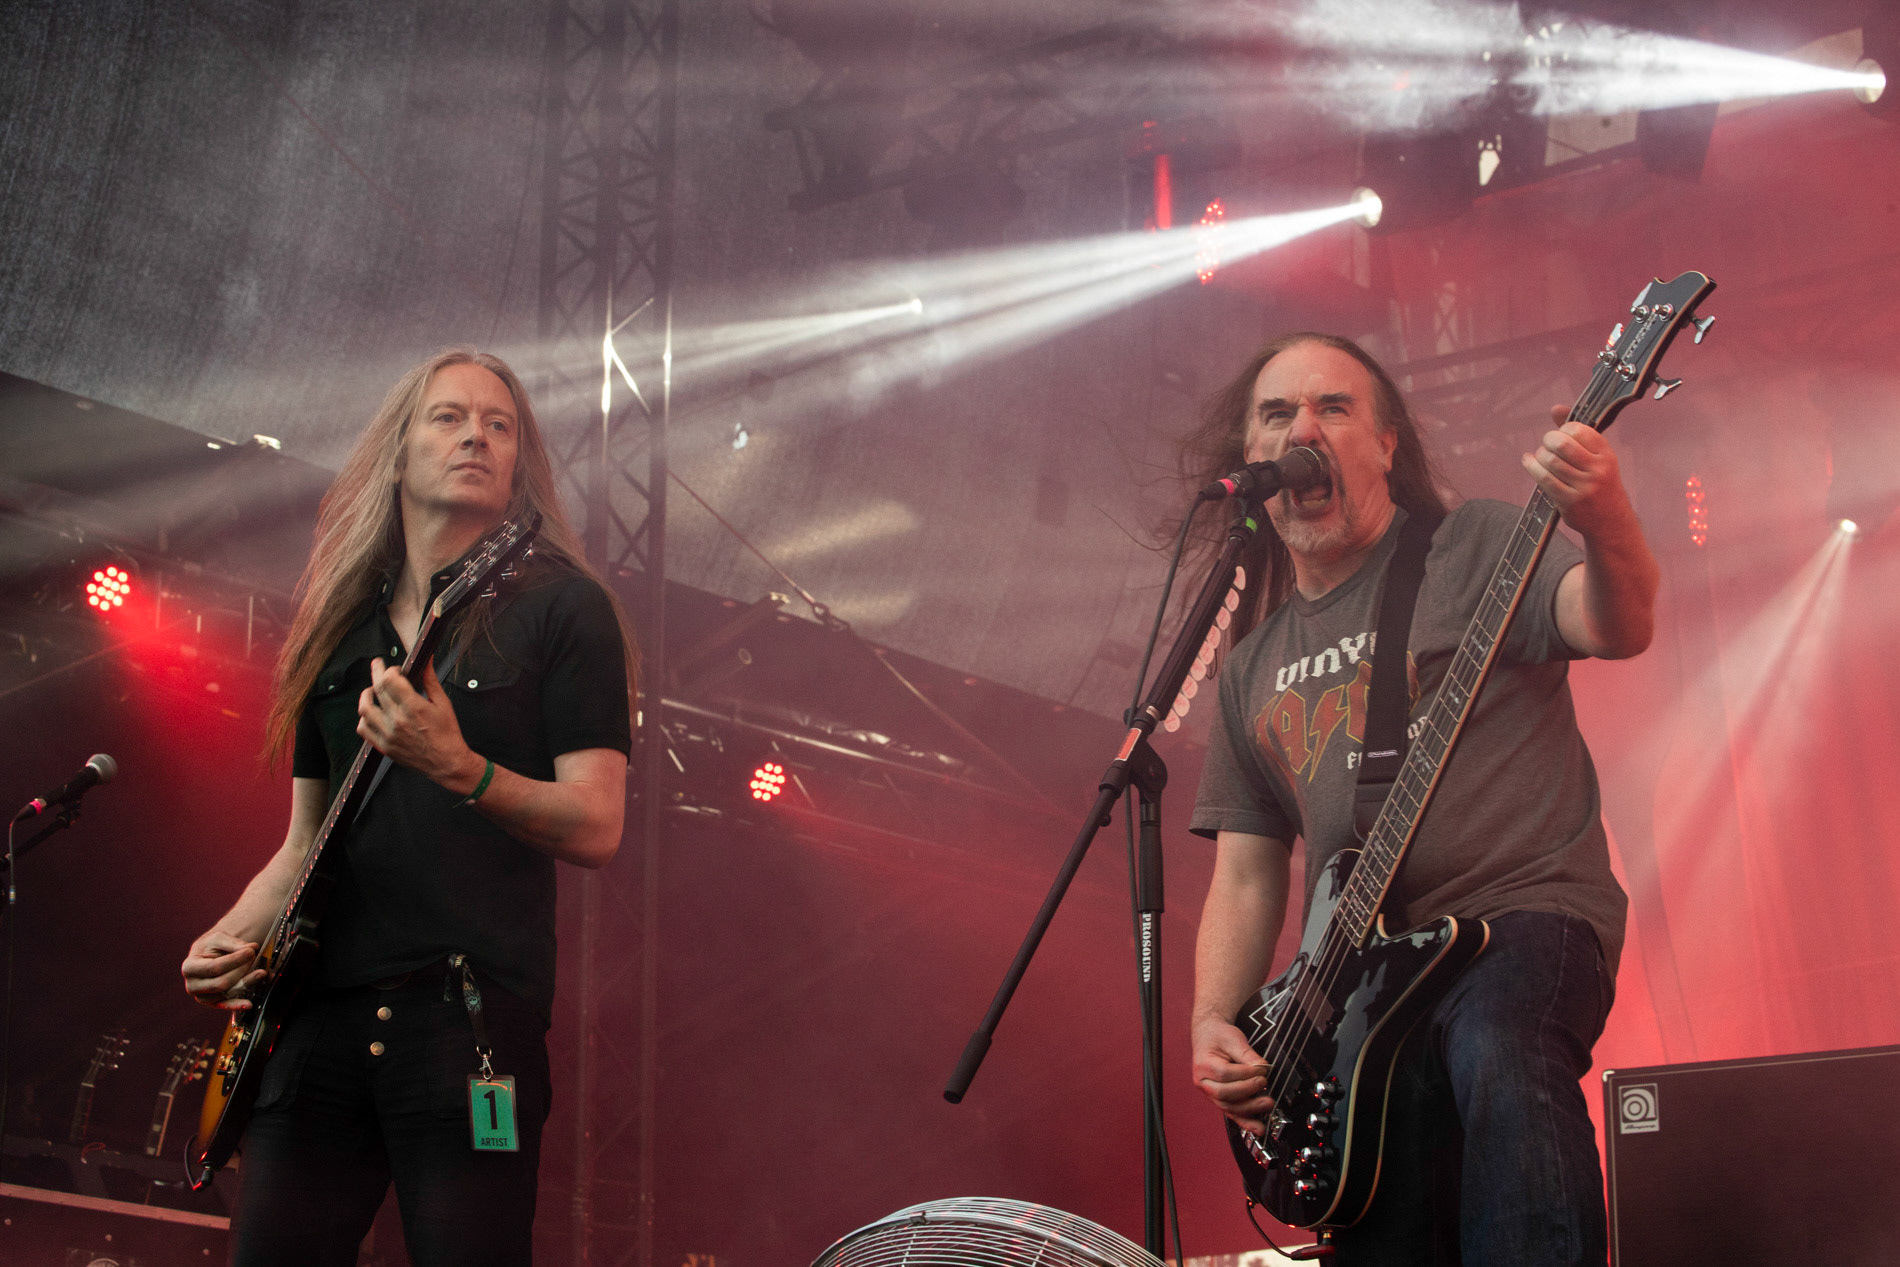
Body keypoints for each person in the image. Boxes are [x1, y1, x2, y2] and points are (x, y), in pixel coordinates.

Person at [1186, 333, 1657, 1266]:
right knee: (1384, 1219)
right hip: (1362, 986)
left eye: (1334, 407)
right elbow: (1245, 876)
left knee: (1496, 1044)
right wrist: (1215, 1020)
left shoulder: (1474, 544)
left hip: (1521, 914)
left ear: (1389, 444)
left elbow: (1616, 622)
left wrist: (1605, 519)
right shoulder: (1249, 671)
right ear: (1253, 460)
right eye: (1277, 415)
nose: (1302, 430)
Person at [179, 349, 637, 1266]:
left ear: (517, 465)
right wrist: (227, 937)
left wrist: (459, 765)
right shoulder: (339, 632)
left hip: (467, 1026)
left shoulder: (563, 607)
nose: (476, 433)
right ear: (398, 452)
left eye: (499, 425)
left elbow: (598, 823)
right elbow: (305, 840)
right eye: (449, 417)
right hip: (316, 1025)